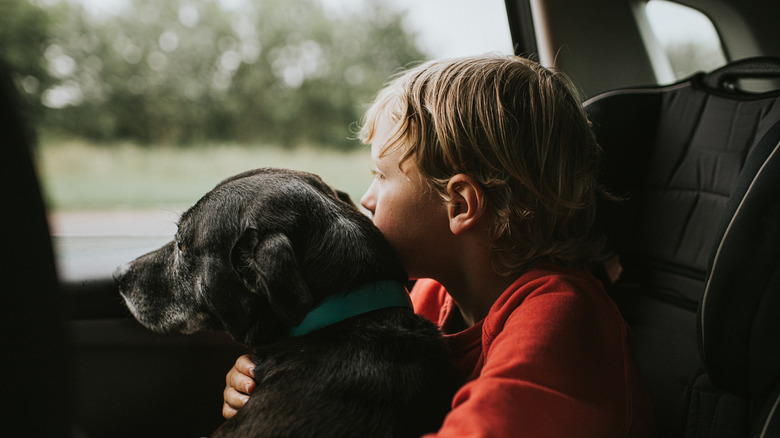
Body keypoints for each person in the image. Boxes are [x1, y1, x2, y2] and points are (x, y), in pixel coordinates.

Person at [222, 55, 654, 437]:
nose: (366, 199)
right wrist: (281, 386)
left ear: (460, 204)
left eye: (382, 176)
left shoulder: (560, 314)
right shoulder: (432, 294)